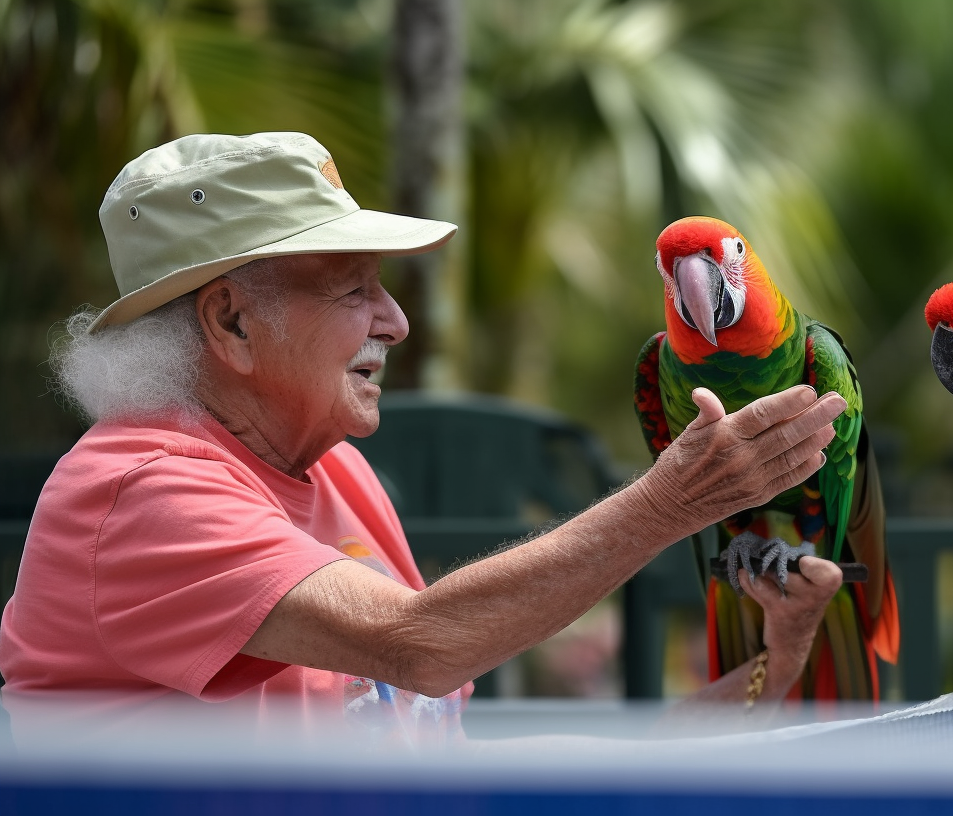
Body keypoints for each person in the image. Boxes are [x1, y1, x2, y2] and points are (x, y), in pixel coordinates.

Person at [0, 132, 845, 743]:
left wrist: (778, 661)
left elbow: (451, 765)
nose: (396, 321)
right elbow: (422, 644)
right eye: (353, 288)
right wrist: (672, 503)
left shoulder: (340, 477)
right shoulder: (141, 488)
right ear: (230, 321)